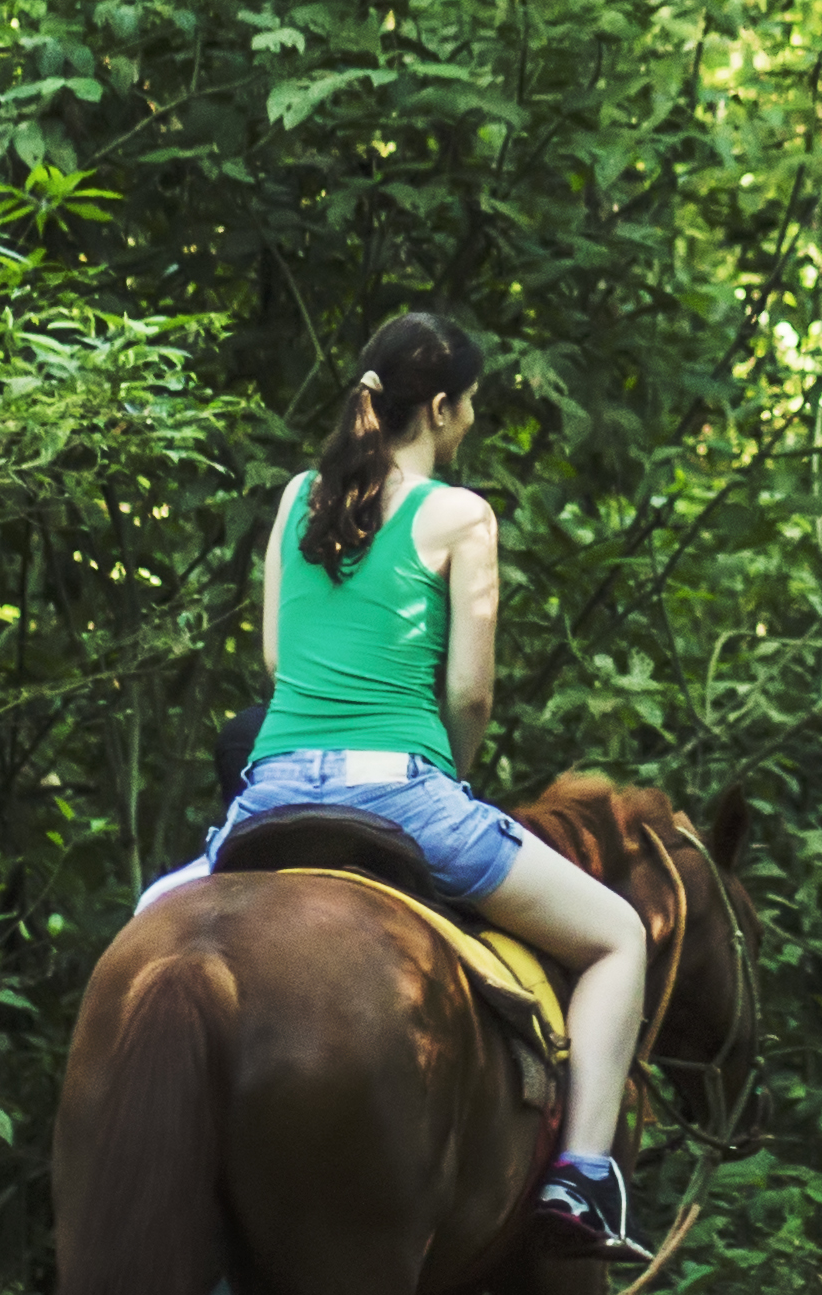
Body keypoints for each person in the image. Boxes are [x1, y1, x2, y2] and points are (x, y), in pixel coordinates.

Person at [145, 313, 656, 1262]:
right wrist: (448, 769)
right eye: (468, 408)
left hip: (271, 794)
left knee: (152, 925)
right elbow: (468, 691)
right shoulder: (462, 516)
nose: (468, 424)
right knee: (619, 936)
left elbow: (274, 660)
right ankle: (583, 1178)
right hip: (404, 792)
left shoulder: (301, 497)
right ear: (444, 408)